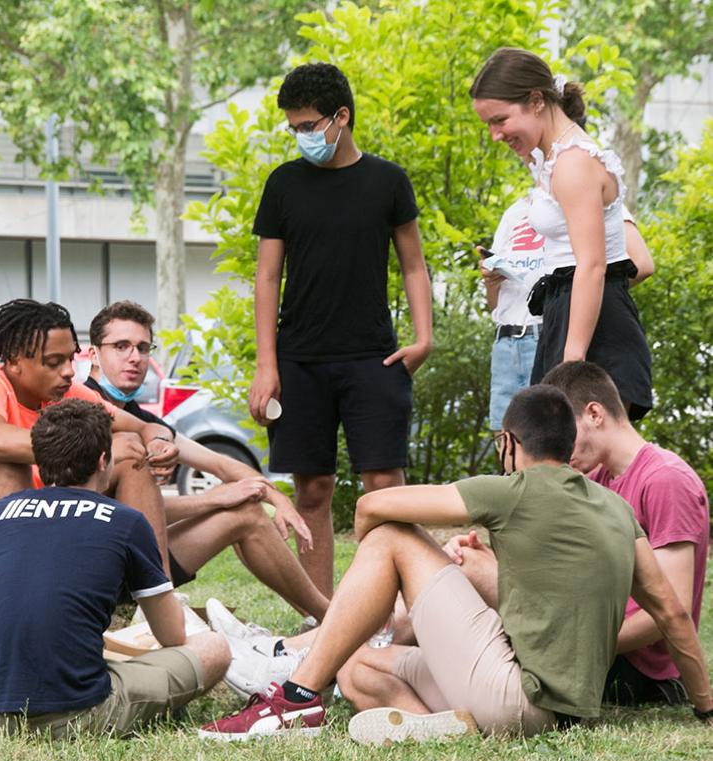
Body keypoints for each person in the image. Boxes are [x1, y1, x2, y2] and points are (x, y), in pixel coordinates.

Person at [198, 385, 713, 742]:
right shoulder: (618, 510)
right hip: (565, 711)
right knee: (356, 668)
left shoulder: (511, 490)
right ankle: (432, 726)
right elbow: (672, 616)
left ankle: (295, 698)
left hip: (516, 697)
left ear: (509, 443)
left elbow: (373, 507)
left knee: (392, 539)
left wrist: (383, 563)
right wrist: (706, 705)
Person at [248, 63, 433, 597]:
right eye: (294, 129)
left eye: (308, 125)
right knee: (313, 492)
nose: (301, 136)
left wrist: (423, 338)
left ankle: (399, 612)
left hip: (373, 358)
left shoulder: (388, 181)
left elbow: (415, 266)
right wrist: (268, 366)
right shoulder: (283, 184)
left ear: (341, 117)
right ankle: (320, 622)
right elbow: (266, 277)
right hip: (300, 360)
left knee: (385, 490)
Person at [0, 399, 229, 738]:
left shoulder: (0, 512)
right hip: (80, 715)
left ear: (41, 460)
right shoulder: (126, 521)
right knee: (215, 648)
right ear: (103, 460)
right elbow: (170, 635)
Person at [85, 301, 329, 624]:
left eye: (143, 348)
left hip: (137, 559)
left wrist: (276, 497)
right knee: (229, 503)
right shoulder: (80, 413)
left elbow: (222, 465)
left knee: (246, 514)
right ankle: (338, 623)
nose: (135, 357)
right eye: (121, 346)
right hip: (97, 564)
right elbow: (118, 510)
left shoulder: (143, 421)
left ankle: (328, 620)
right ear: (93, 355)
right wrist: (211, 499)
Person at [0, 299, 179, 595]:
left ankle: (160, 593)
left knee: (129, 451)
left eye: (70, 359)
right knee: (8, 465)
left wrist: (159, 442)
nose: (68, 372)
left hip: (36, 538)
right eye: (53, 362)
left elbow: (142, 427)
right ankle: (13, 601)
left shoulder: (66, 392)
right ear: (13, 360)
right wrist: (100, 451)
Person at [470, 48, 652, 420]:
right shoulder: (554, 159)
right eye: (488, 124)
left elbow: (592, 266)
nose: (494, 135)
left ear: (536, 100)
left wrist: (572, 364)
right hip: (563, 315)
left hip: (593, 328)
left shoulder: (573, 163)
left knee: (587, 464)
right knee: (559, 467)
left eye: (500, 120)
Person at [542, 360, 709, 706]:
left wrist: (577, 645)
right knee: (468, 565)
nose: (558, 449)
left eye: (562, 433)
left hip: (641, 669)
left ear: (594, 414)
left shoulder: (665, 480)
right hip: (595, 638)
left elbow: (667, 611)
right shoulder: (596, 480)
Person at [482, 196, 654, 432]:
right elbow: (496, 305)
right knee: (511, 446)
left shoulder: (588, 192)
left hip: (556, 331)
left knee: (560, 440)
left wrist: (575, 295)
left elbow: (641, 263)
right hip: (507, 342)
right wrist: (491, 280)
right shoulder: (516, 211)